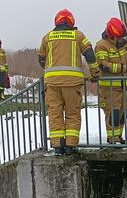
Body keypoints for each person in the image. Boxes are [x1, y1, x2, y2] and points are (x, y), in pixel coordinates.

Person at [38, 9, 99, 155]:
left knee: (55, 114)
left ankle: (58, 146)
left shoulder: (48, 37)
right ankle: (71, 146)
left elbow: (41, 59)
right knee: (72, 113)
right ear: (72, 21)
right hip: (72, 83)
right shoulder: (78, 35)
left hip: (52, 84)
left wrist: (50, 70)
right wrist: (95, 73)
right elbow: (90, 55)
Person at [95, 17, 127, 144]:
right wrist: (123, 67)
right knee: (113, 114)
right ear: (111, 35)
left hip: (123, 86)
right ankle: (112, 138)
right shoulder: (101, 45)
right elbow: (103, 65)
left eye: (121, 37)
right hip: (110, 88)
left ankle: (119, 137)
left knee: (123, 113)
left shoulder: (124, 43)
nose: (120, 39)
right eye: (118, 37)